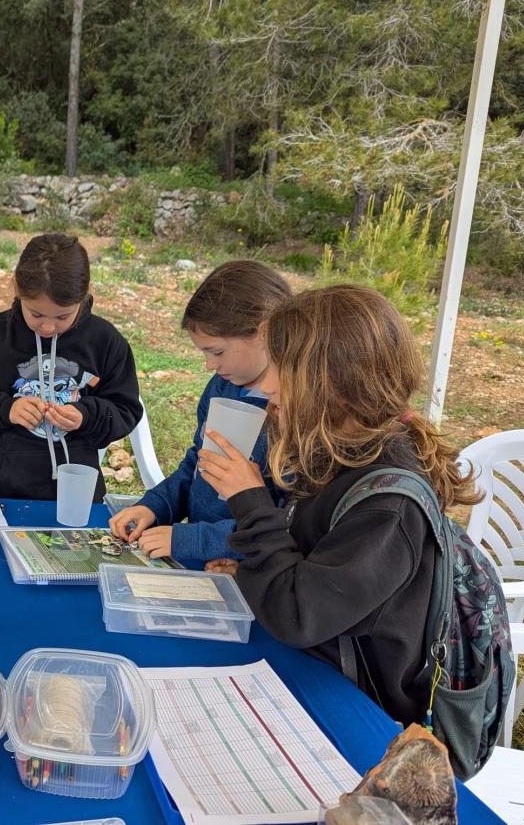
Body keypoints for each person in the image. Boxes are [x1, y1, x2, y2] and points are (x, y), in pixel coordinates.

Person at [196, 284, 482, 727]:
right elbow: (318, 564)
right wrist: (260, 574)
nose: (267, 385)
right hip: (314, 662)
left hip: (361, 708)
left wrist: (250, 502)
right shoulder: (341, 451)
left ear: (337, 383)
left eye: (283, 369)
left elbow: (299, 616)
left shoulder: (387, 504)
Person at [109, 260, 290, 566]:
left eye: (217, 352)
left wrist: (188, 539)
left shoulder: (293, 413)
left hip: (252, 571)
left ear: (264, 334)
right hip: (198, 560)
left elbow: (283, 526)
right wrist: (155, 506)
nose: (210, 365)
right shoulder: (222, 386)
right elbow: (199, 462)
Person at [0, 233, 142, 501]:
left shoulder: (105, 342)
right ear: (17, 289)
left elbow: (126, 411)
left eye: (62, 316)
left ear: (83, 297)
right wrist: (5, 408)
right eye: (35, 313)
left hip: (75, 499)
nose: (48, 328)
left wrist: (86, 416)